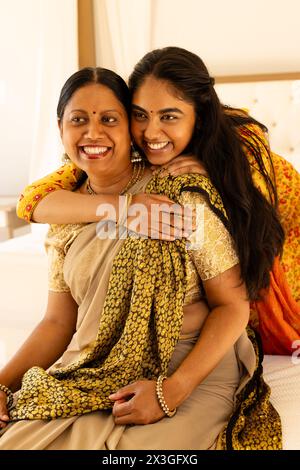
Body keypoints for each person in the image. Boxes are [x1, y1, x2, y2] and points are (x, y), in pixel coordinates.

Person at [0, 62, 282, 450]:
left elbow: (232, 305)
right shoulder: (64, 212)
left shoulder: (180, 191)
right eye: (78, 119)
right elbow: (56, 322)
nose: (93, 133)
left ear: (128, 130)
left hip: (188, 370)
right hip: (97, 369)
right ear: (60, 128)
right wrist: (2, 383)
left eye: (109, 119)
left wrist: (170, 392)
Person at [17, 47, 300, 355]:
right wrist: (123, 208)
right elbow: (32, 202)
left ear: (200, 117)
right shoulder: (106, 149)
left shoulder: (244, 149)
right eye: (140, 115)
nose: (150, 132)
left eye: (169, 116)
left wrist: (215, 171)